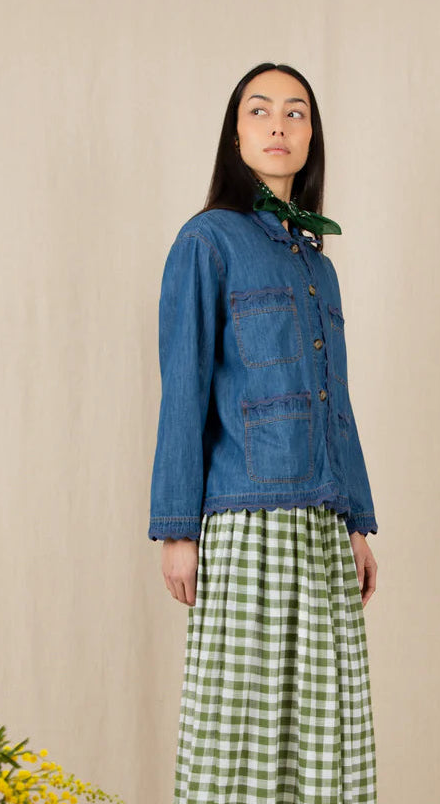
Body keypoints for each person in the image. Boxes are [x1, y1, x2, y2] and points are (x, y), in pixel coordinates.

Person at [149, 61, 379, 804]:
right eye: (259, 110)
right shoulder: (206, 241)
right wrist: (176, 530)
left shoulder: (318, 266)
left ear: (312, 137)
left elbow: (331, 402)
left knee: (322, 741)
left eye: (295, 113)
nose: (278, 125)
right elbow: (182, 388)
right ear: (236, 132)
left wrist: (356, 523)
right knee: (239, 742)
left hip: (319, 525)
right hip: (246, 524)